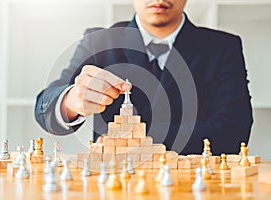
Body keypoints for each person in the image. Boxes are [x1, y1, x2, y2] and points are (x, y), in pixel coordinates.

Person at [35, 0, 253, 155]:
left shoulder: (222, 47)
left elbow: (234, 130)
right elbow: (44, 108)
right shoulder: (98, 42)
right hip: (114, 184)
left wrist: (132, 137)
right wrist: (70, 101)